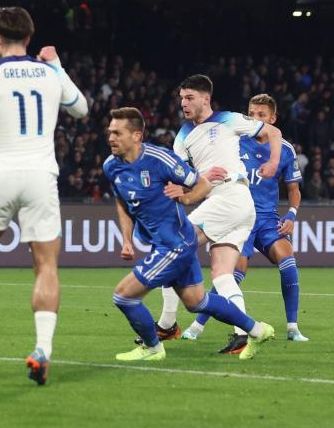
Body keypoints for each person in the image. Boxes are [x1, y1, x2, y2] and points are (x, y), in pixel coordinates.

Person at [0, 6, 89, 386]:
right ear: (29, 37)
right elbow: (82, 108)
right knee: (46, 266)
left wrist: (0, 117)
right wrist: (57, 65)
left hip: (2, 173)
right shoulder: (48, 73)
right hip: (41, 177)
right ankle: (42, 348)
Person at [104, 107, 275, 361]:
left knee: (124, 296)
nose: (111, 138)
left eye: (117, 133)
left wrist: (185, 198)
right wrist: (127, 240)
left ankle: (153, 346)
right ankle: (257, 330)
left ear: (137, 135)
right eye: (110, 132)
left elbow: (200, 182)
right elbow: (122, 203)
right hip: (169, 243)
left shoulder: (160, 159)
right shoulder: (112, 167)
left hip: (174, 245)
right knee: (197, 302)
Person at [144, 74, 282, 355]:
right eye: (181, 98)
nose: (183, 103)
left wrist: (273, 161)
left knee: (172, 245)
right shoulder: (182, 137)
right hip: (230, 203)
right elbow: (182, 180)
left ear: (206, 99)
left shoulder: (228, 119)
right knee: (221, 275)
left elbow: (274, 133)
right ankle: (244, 335)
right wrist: (189, 184)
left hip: (231, 196)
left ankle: (167, 325)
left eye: (189, 97)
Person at [182, 94, 308, 342]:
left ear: (273, 118)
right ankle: (197, 325)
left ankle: (293, 327)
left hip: (267, 219)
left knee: (288, 260)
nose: (255, 119)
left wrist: (291, 215)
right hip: (239, 215)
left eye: (261, 115)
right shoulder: (235, 141)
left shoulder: (284, 149)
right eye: (251, 114)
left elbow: (294, 190)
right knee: (231, 272)